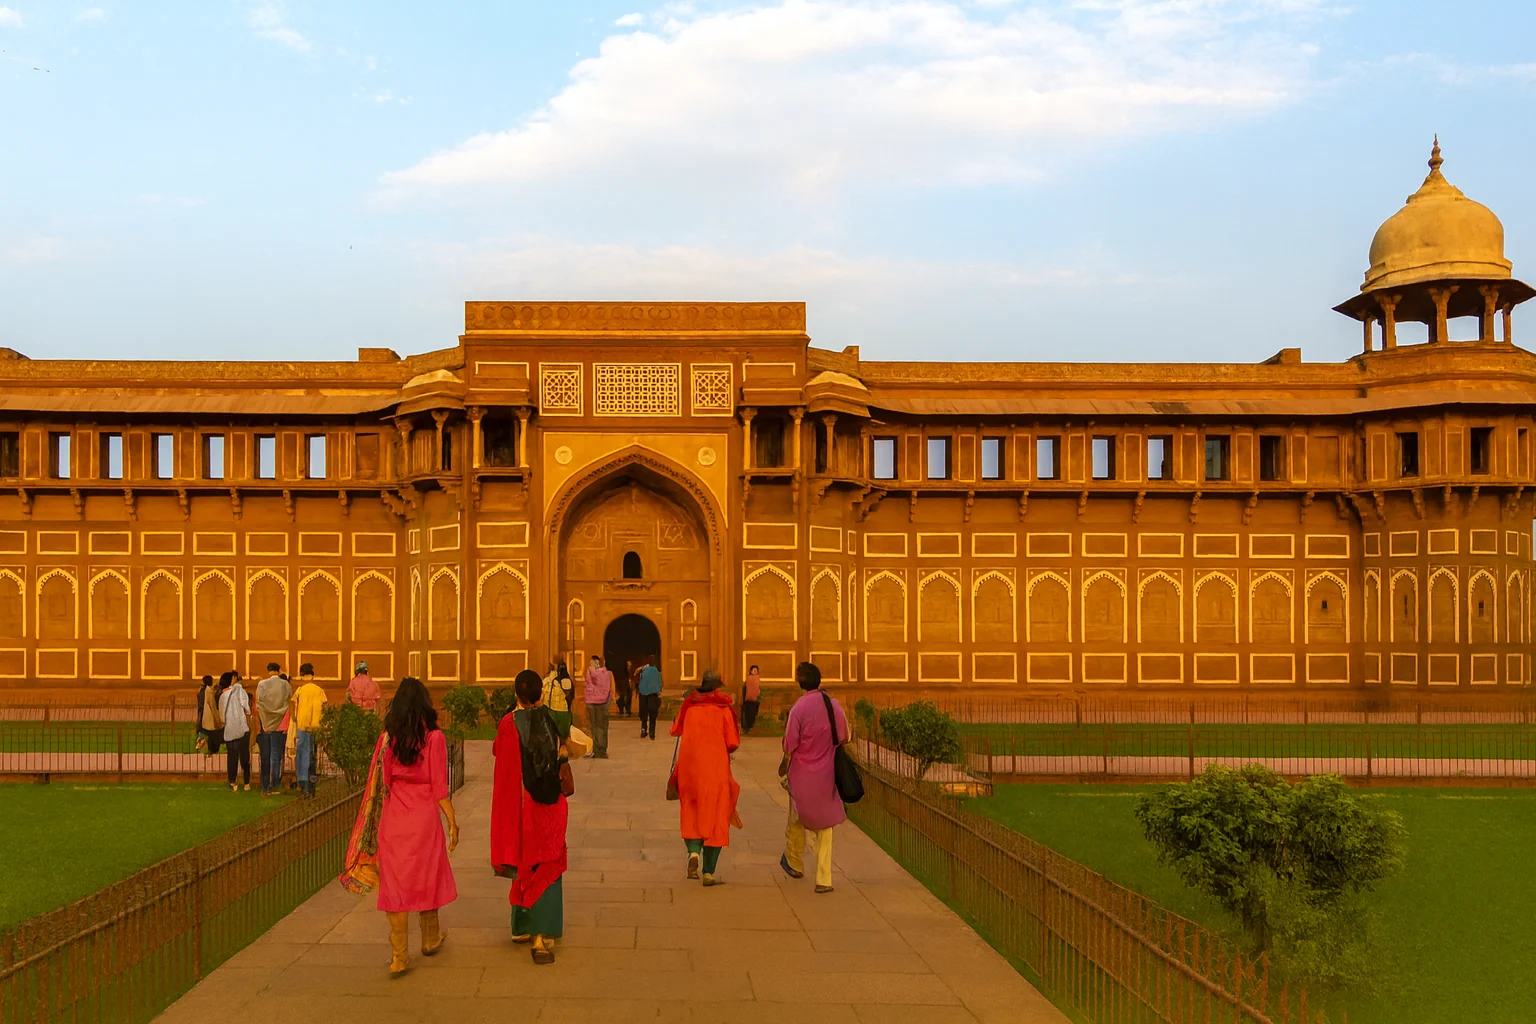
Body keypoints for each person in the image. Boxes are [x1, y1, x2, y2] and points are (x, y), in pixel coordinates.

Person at [376, 677, 459, 978]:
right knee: (427, 876)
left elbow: (385, 780)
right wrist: (451, 819)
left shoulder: (389, 737)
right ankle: (430, 938)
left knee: (396, 885)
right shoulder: (434, 738)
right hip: (424, 819)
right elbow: (439, 786)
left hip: (395, 817)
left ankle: (399, 957)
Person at [491, 668, 570, 965]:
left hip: (519, 807)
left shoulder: (507, 724)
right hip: (546, 806)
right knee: (546, 864)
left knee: (523, 861)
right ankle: (541, 936)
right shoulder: (551, 720)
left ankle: (522, 927)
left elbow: (501, 755)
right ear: (540, 694)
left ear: (516, 694)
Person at [779, 661, 848, 894]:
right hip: (826, 774)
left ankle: (795, 862)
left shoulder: (799, 708)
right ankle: (824, 878)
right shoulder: (833, 705)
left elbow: (790, 743)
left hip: (801, 774)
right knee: (826, 826)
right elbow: (844, 735)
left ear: (800, 682)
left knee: (797, 816)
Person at [669, 669, 741, 886]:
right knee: (717, 815)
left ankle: (693, 854)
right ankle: (708, 872)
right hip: (715, 769)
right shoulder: (723, 709)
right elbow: (733, 742)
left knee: (691, 810)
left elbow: (675, 730)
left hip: (689, 768)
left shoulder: (689, 705)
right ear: (717, 687)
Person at [254, 663, 291, 797]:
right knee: (276, 755)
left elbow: (259, 702)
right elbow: (288, 699)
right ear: (278, 670)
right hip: (280, 723)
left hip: (266, 724)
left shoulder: (262, 684)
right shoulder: (285, 685)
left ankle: (265, 785)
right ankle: (275, 781)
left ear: (268, 671)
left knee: (265, 756)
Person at [291, 664, 327, 796]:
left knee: (302, 754)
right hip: (316, 726)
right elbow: (325, 706)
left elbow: (293, 707)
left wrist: (295, 719)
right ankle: (312, 782)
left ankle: (303, 782)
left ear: (302, 674)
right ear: (312, 675)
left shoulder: (300, 690)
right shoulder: (319, 690)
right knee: (313, 754)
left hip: (302, 725)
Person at [217, 671, 252, 792]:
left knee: (232, 757)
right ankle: (247, 782)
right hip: (242, 728)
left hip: (229, 730)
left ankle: (232, 782)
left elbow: (221, 716)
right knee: (244, 757)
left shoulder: (222, 696)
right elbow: (246, 707)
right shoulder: (239, 691)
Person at [583, 655, 613, 759]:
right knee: (602, 727)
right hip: (603, 702)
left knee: (594, 727)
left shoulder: (589, 672)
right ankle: (602, 751)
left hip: (591, 702)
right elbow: (609, 689)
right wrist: (608, 701)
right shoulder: (606, 673)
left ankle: (596, 750)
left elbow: (587, 686)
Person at [541, 661, 574, 736]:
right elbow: (570, 694)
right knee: (563, 735)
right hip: (563, 710)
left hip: (550, 709)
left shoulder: (547, 680)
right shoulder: (565, 679)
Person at [636, 659, 663, 740]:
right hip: (653, 694)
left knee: (644, 714)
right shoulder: (656, 672)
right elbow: (660, 683)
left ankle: (643, 730)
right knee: (653, 714)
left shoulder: (643, 670)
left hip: (643, 693)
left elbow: (637, 677)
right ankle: (652, 732)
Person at [195, 675, 217, 754]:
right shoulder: (207, 691)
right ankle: (204, 746)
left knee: (203, 731)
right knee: (207, 732)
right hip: (206, 715)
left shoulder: (201, 690)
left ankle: (201, 744)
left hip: (202, 714)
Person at [741, 664, 762, 733]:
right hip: (748, 701)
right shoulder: (748, 679)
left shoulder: (758, 679)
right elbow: (745, 690)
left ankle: (751, 727)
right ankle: (747, 728)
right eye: (754, 670)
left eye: (756, 670)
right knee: (748, 715)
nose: (755, 671)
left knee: (753, 715)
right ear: (750, 671)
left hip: (755, 701)